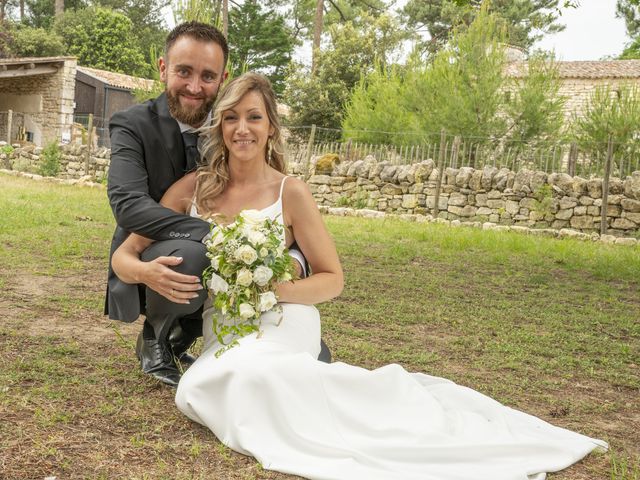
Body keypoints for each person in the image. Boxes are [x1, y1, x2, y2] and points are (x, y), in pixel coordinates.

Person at [112, 72, 607, 480]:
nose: (243, 128)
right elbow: (124, 256)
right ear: (219, 125)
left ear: (271, 128)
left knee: (260, 375)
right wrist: (145, 272)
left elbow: (332, 279)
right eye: (232, 117)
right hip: (228, 326)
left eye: (255, 117)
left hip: (284, 318)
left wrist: (271, 290)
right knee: (209, 383)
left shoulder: (292, 192)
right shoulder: (195, 187)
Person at [106, 21, 328, 388]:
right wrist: (222, 237)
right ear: (164, 68)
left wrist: (286, 258)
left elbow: (289, 218)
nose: (195, 86)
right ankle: (157, 336)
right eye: (183, 71)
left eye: (207, 76)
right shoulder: (133, 125)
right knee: (195, 254)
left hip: (249, 280)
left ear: (222, 78)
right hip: (163, 252)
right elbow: (129, 207)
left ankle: (191, 336)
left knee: (308, 364)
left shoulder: (234, 123)